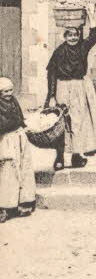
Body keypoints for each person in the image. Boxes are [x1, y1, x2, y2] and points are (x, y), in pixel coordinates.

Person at [45, 0, 96, 171]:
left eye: (75, 35)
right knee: (61, 123)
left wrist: (90, 13)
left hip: (78, 88)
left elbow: (94, 35)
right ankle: (60, 158)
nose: (73, 38)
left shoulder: (83, 47)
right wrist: (52, 96)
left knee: (78, 122)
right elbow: (51, 74)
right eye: (70, 35)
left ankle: (76, 155)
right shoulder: (59, 52)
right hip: (62, 88)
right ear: (65, 36)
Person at [0, 77, 36, 221]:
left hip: (19, 137)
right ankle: (6, 206)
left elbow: (20, 117)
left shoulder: (14, 101)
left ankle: (24, 202)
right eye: (5, 92)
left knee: (24, 169)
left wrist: (25, 127)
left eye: (10, 90)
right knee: (8, 171)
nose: (9, 93)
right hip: (6, 140)